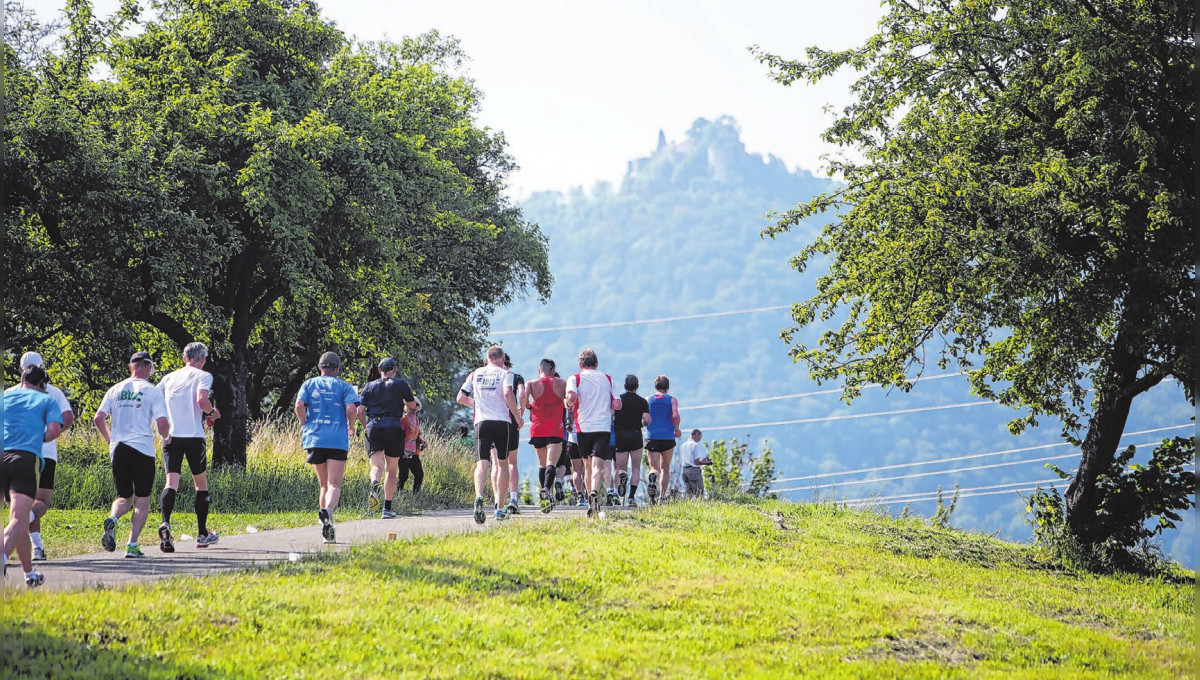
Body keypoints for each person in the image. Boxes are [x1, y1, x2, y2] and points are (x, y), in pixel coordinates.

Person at [94, 351, 170, 558]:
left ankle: (113, 519)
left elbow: (98, 418)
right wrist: (166, 437)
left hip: (118, 448)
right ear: (147, 367)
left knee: (124, 497)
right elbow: (162, 423)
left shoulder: (115, 389)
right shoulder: (152, 391)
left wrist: (110, 439)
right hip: (142, 449)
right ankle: (132, 544)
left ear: (131, 368)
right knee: (142, 501)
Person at [156, 342, 222, 552]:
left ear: (185, 357)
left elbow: (156, 402)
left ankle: (165, 522)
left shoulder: (168, 378)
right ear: (202, 359)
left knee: (171, 481)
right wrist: (212, 413)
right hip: (193, 436)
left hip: (171, 436)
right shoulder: (203, 376)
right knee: (200, 484)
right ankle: (202, 534)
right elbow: (202, 400)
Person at [8, 352, 73, 561]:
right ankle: (29, 538)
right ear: (43, 369)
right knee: (41, 501)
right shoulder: (52, 392)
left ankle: (36, 546)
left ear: (21, 371)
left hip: (10, 453)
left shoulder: (8, 393)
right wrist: (50, 436)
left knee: (19, 505)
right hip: (43, 452)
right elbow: (67, 417)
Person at [2, 365, 64, 586]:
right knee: (19, 519)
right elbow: (55, 430)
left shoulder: (5, 397)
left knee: (16, 521)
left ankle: (29, 574)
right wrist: (39, 436)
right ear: (41, 384)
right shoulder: (45, 399)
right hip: (24, 458)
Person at [295, 352, 361, 543]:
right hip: (337, 439)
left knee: (323, 484)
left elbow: (299, 404)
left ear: (320, 367)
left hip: (315, 438)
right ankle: (329, 512)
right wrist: (351, 425)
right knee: (334, 485)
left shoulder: (309, 384)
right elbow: (352, 409)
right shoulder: (344, 386)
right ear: (337, 368)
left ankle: (327, 528)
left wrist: (303, 422)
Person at [457, 345, 522, 524]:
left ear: (487, 359)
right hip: (502, 422)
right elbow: (508, 393)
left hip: (482, 422)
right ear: (502, 360)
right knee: (502, 464)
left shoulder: (475, 373)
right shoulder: (505, 374)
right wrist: (517, 416)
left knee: (482, 464)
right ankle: (500, 508)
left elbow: (460, 398)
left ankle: (479, 496)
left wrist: (476, 404)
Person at [358, 357, 420, 519]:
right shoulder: (400, 384)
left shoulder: (370, 386)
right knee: (391, 469)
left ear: (380, 371)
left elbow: (359, 411)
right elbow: (412, 405)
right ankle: (387, 508)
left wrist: (366, 426)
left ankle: (374, 483)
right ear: (395, 369)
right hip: (393, 427)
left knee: (376, 467)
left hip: (374, 427)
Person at [564, 348, 621, 517]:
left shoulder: (575, 378)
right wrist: (607, 406)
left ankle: (591, 499)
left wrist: (568, 405)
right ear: (596, 364)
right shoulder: (607, 378)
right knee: (598, 466)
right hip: (603, 427)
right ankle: (594, 493)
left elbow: (572, 398)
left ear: (580, 364)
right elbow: (617, 404)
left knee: (587, 465)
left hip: (583, 427)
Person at [524, 358, 566, 513]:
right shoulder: (561, 383)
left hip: (537, 428)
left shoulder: (531, 383)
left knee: (542, 464)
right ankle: (547, 490)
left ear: (539, 369)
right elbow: (570, 399)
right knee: (551, 463)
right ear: (553, 371)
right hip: (555, 429)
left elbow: (522, 395)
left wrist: (527, 406)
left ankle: (546, 496)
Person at [491, 354, 525, 515]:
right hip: (510, 422)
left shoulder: (490, 377)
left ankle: (498, 499)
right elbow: (523, 394)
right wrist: (521, 411)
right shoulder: (515, 377)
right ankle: (513, 498)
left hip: (491, 420)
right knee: (511, 462)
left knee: (496, 464)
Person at [612, 374, 650, 507]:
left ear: (624, 386)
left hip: (620, 435)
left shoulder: (619, 400)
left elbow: (611, 416)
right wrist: (641, 424)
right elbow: (647, 420)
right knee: (635, 468)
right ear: (637, 387)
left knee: (619, 468)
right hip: (635, 436)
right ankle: (631, 498)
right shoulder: (642, 402)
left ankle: (620, 485)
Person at [643, 374, 681, 505]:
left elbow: (644, 417)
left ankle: (653, 475)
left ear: (655, 386)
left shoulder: (648, 399)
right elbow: (675, 415)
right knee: (665, 468)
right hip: (667, 438)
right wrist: (677, 428)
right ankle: (661, 497)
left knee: (654, 467)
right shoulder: (672, 400)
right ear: (668, 387)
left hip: (652, 437)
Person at [396, 403, 424, 496]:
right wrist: (401, 450)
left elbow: (416, 435)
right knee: (403, 475)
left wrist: (421, 441)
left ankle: (415, 496)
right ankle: (398, 494)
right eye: (413, 405)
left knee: (419, 474)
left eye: (417, 405)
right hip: (404, 452)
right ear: (408, 406)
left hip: (414, 452)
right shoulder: (403, 420)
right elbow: (400, 435)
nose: (415, 407)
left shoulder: (417, 420)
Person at [678, 429, 712, 498]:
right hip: (693, 470)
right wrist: (706, 463)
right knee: (699, 491)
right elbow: (696, 461)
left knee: (688, 492)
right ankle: (699, 505)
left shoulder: (683, 445)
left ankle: (689, 505)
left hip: (684, 470)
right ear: (697, 434)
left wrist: (702, 459)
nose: (700, 439)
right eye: (700, 437)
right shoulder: (695, 445)